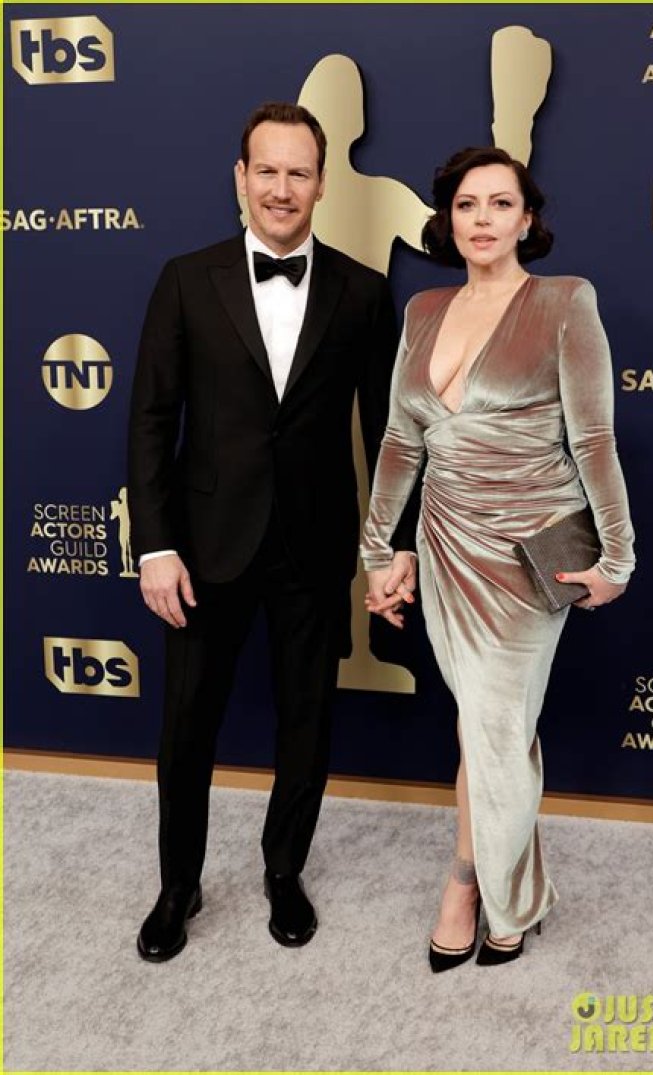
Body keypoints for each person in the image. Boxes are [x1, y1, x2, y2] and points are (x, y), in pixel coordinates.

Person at [128, 102, 417, 962]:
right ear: (240, 178)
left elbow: (391, 433)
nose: (282, 188)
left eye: (299, 172)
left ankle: (283, 869)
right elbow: (151, 419)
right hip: (203, 543)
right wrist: (155, 544)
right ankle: (177, 884)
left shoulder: (364, 291)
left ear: (322, 184)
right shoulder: (186, 279)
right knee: (187, 725)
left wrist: (388, 547)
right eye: (267, 170)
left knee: (307, 718)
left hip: (314, 543)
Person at [361, 147, 634, 971]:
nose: (482, 219)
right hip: (446, 543)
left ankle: (477, 885)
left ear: (527, 218)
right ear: (448, 220)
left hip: (526, 554)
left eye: (500, 203)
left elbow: (593, 438)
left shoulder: (564, 301)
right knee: (482, 726)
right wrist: (379, 551)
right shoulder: (423, 308)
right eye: (466, 204)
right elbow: (401, 440)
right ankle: (498, 880)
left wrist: (618, 554)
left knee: (496, 723)